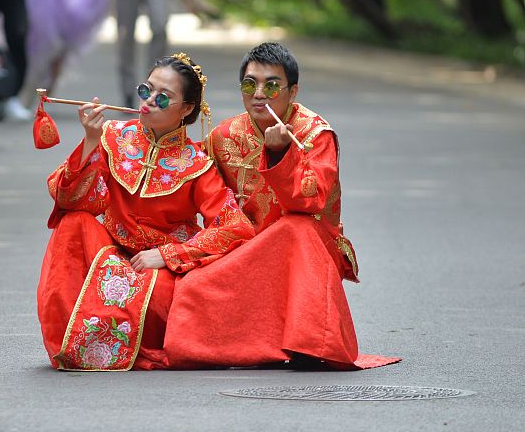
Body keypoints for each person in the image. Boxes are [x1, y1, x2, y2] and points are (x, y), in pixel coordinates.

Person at [164, 42, 397, 369]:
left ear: (292, 91)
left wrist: (279, 156)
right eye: (250, 84)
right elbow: (196, 189)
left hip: (308, 247)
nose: (259, 94)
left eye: (272, 85)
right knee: (190, 288)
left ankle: (308, 344)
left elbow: (309, 200)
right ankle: (249, 348)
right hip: (247, 248)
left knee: (294, 228)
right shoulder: (222, 136)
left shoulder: (316, 134)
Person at [36, 53, 256, 370]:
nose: (149, 101)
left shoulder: (197, 164)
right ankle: (68, 342)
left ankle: (109, 343)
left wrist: (169, 255)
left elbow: (236, 228)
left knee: (164, 296)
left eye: (163, 97)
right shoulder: (112, 135)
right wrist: (90, 141)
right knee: (72, 223)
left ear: (187, 109)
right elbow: (68, 196)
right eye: (146, 90)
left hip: (158, 269)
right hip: (108, 252)